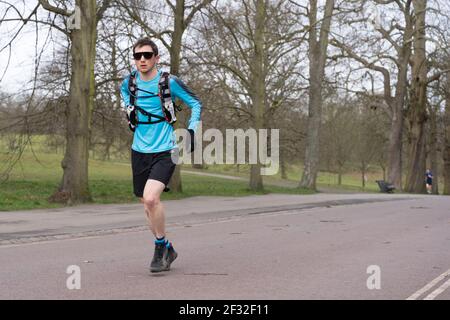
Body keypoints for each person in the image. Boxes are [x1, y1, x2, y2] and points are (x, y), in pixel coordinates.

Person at [121, 38, 202, 273]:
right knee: (147, 206)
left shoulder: (169, 82)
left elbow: (196, 103)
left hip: (166, 148)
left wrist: (192, 130)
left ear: (156, 57)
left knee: (151, 199)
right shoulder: (129, 83)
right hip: (139, 150)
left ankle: (159, 248)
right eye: (138, 56)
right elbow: (124, 95)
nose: (143, 60)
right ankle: (168, 247)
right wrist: (130, 112)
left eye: (147, 55)